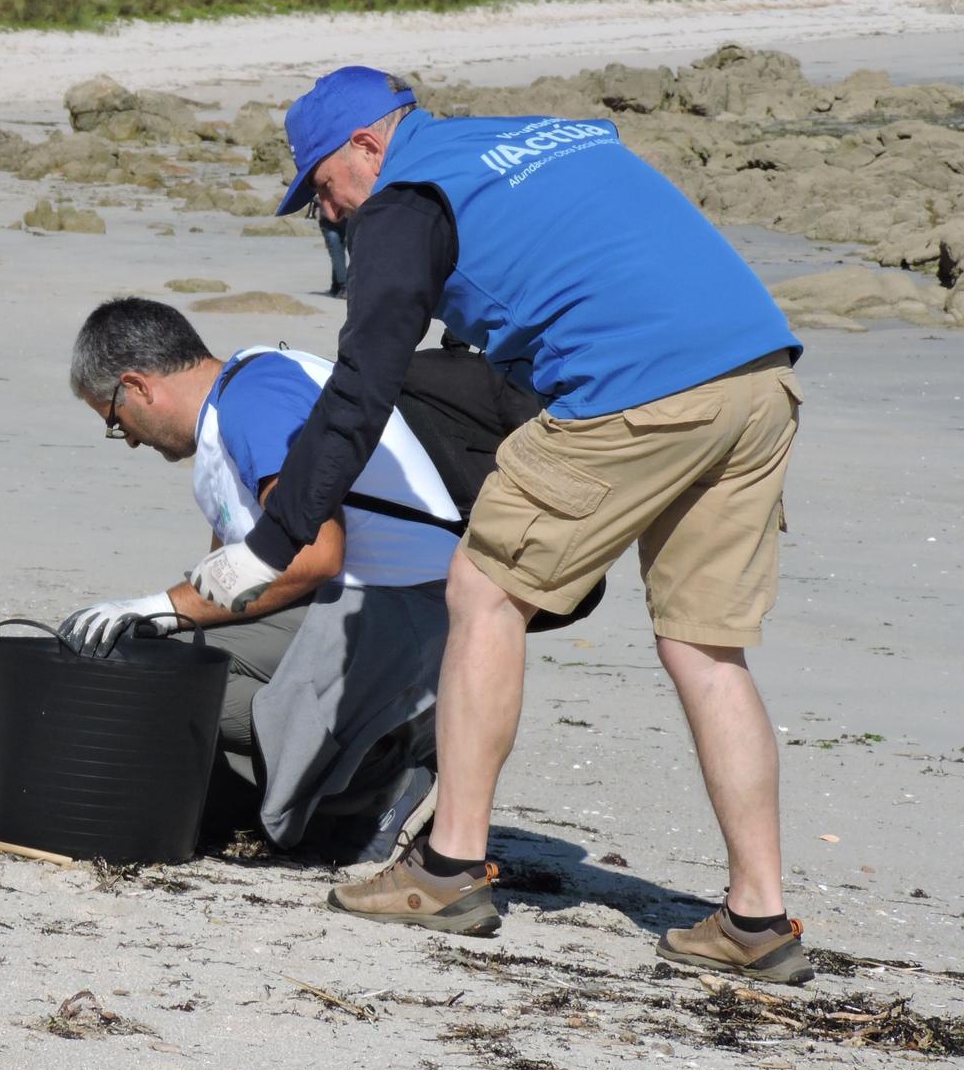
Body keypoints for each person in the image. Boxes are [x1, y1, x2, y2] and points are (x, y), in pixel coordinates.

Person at [188, 66, 811, 984]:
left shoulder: (403, 201)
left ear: (367, 143)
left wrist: (271, 544)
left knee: (483, 593)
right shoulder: (535, 135)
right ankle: (758, 918)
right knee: (706, 647)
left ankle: (446, 870)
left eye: (322, 187)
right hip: (760, 376)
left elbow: (358, 390)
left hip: (637, 391)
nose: (328, 215)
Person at [60, 299, 460, 860]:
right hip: (381, 607)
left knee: (154, 679)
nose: (126, 439)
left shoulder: (256, 398)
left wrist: (154, 607)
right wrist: (160, 615)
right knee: (162, 652)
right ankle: (323, 793)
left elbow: (316, 554)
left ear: (137, 386)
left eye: (113, 420)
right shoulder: (230, 417)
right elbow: (229, 588)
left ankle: (383, 779)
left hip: (407, 613)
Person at [319, 203, 348, 299]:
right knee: (337, 252)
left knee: (338, 254)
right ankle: (343, 285)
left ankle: (337, 285)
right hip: (328, 221)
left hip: (346, 218)